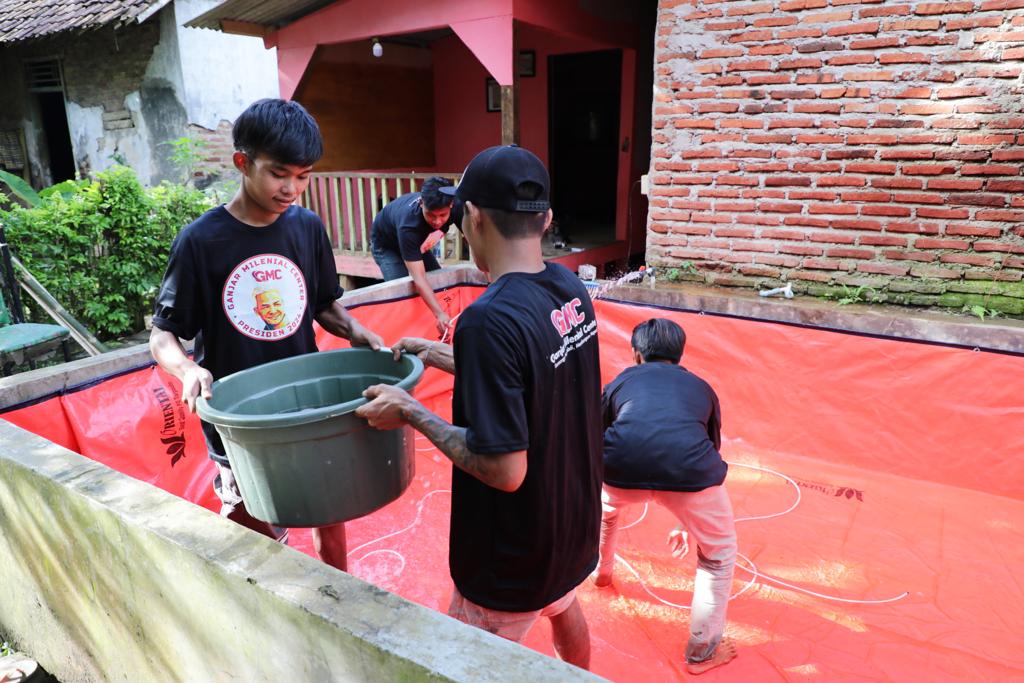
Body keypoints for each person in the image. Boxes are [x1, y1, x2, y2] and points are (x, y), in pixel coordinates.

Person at [355, 145, 602, 669]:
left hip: (511, 551)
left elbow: (505, 469)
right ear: (547, 218)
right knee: (563, 605)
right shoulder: (568, 287)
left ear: (472, 216)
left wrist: (412, 412)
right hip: (567, 524)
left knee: (456, 662)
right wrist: (439, 352)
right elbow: (528, 373)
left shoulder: (488, 318)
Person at [149, 98, 383, 572]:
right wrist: (187, 369)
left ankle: (342, 607)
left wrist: (356, 329)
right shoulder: (201, 241)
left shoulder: (308, 228)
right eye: (280, 173)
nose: (292, 189)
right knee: (256, 546)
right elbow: (163, 335)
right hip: (241, 425)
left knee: (329, 515)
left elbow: (322, 304)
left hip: (308, 411)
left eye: (304, 176)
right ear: (242, 162)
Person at [594, 318, 738, 675]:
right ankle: (702, 650)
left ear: (636, 355)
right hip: (690, 478)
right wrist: (688, 520)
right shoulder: (701, 388)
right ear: (680, 355)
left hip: (619, 472)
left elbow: (595, 433)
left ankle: (601, 571)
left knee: (606, 514)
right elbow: (705, 450)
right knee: (718, 557)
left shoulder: (621, 381)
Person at [369, 177, 463, 337]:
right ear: (421, 204)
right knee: (402, 292)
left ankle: (439, 329)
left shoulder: (455, 206)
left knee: (439, 283)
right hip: (387, 246)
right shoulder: (409, 225)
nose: (437, 221)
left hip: (417, 243)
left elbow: (475, 241)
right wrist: (439, 313)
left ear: (451, 205)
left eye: (442, 215)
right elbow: (418, 279)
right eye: (431, 215)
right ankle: (406, 336)